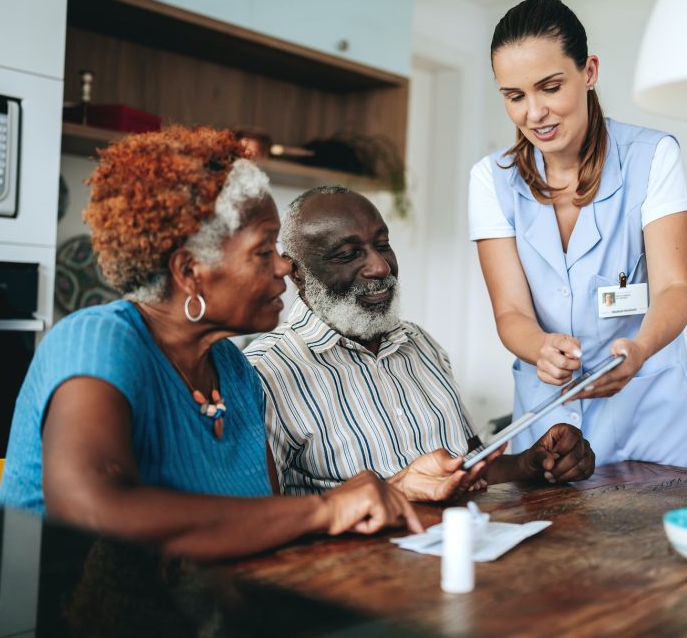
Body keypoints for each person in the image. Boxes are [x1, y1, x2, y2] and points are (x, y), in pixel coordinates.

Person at [0, 127, 423, 560]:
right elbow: (90, 510)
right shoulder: (97, 339)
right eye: (262, 251)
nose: (284, 266)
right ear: (190, 271)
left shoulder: (234, 370)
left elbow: (263, 520)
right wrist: (323, 510)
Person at [469, 0, 687, 467]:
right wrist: (539, 348)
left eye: (550, 87)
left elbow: (674, 289)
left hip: (648, 416)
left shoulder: (652, 157)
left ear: (589, 72)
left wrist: (637, 350)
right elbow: (511, 310)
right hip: (548, 422)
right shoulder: (490, 179)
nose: (534, 113)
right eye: (515, 96)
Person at [244, 185, 595, 497]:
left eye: (382, 246)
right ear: (295, 272)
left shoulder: (419, 344)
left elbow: (469, 467)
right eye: (349, 254)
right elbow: (265, 519)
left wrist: (531, 464)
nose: (380, 267)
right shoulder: (265, 373)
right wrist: (393, 491)